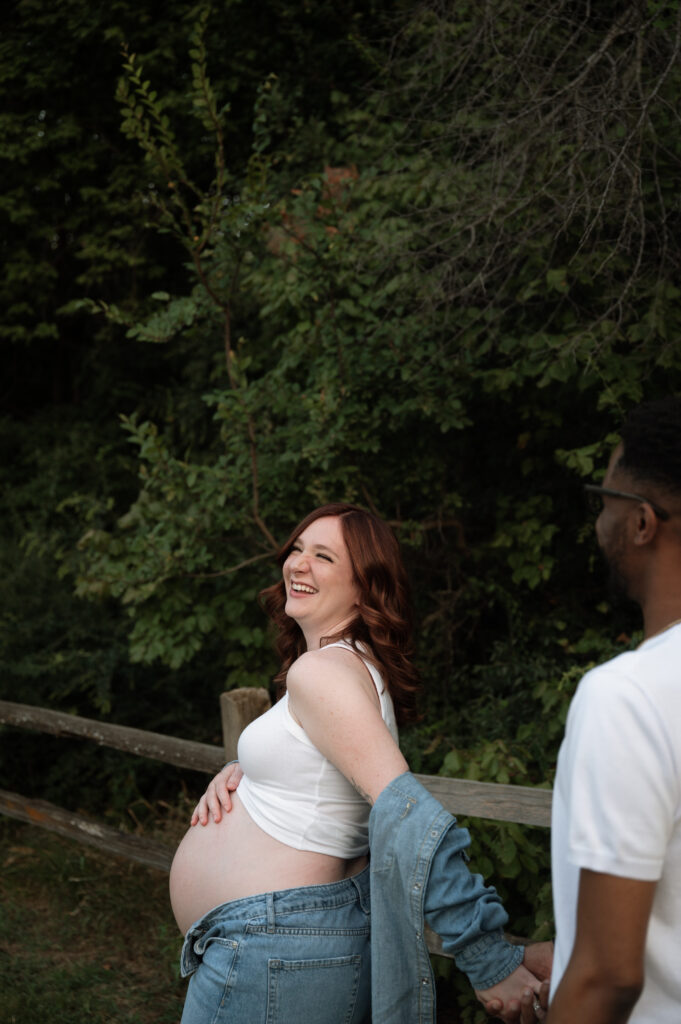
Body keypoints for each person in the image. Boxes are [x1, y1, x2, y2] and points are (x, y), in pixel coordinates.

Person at [171, 502, 551, 1023]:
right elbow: (319, 781)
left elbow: (405, 813)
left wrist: (489, 958)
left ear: (364, 586)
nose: (298, 564)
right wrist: (243, 772)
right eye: (297, 549)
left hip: (277, 946)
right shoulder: (342, 666)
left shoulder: (323, 673)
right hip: (283, 943)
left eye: (323, 557)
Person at [546, 396, 681, 1023]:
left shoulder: (626, 696)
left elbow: (608, 975)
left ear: (643, 523)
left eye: (606, 499)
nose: (599, 519)